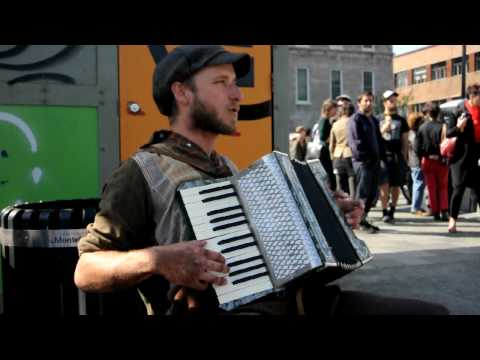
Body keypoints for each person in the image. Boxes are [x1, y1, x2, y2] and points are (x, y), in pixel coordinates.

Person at [74, 45, 448, 315]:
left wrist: (327, 216)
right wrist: (155, 260)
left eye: (235, 83)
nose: (237, 95)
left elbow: (276, 254)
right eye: (221, 82)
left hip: (293, 302)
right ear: (181, 92)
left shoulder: (230, 168)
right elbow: (85, 270)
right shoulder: (141, 172)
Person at [347, 91, 385, 234]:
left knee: (372, 194)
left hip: (375, 163)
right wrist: (366, 159)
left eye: (370, 100)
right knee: (362, 194)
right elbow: (355, 143)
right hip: (363, 163)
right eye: (366, 100)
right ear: (359, 103)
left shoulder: (373, 120)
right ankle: (355, 221)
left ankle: (363, 219)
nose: (369, 103)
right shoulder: (355, 120)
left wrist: (381, 157)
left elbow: (379, 140)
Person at [446, 84, 480, 233]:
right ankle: (452, 219)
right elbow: (449, 133)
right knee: (458, 189)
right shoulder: (459, 111)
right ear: (472, 97)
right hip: (460, 159)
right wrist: (459, 127)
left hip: (476, 157)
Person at [377, 90, 410, 223]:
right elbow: (374, 137)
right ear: (385, 103)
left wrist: (405, 157)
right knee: (384, 184)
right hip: (383, 156)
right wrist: (384, 128)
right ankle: (384, 210)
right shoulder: (378, 118)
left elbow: (405, 140)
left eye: (395, 100)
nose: (393, 103)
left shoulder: (401, 120)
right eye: (391, 100)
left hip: (397, 156)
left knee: (396, 185)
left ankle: (392, 209)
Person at [414, 103, 449, 222]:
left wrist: (421, 158)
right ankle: (444, 210)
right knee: (443, 187)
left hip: (427, 160)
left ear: (427, 114)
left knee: (431, 188)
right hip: (441, 160)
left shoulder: (421, 128)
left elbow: (417, 147)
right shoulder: (443, 126)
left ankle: (435, 212)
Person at [330, 102, 356, 196]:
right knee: (352, 179)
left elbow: (332, 143)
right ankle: (353, 202)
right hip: (349, 154)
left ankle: (341, 205)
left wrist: (332, 156)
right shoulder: (352, 122)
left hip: (337, 155)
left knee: (339, 183)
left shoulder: (335, 124)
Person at [407, 111, 428, 216]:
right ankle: (415, 207)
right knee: (419, 184)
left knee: (418, 184)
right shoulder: (415, 135)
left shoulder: (411, 133)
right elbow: (417, 149)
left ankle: (418, 206)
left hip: (413, 162)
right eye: (422, 121)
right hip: (417, 162)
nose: (424, 122)